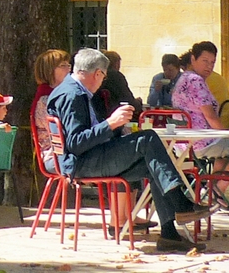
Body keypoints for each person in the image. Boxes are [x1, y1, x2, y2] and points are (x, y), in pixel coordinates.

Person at [47, 48, 210, 253]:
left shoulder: (73, 90)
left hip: (91, 157)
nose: (102, 82)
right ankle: (181, 203)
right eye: (103, 77)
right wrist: (110, 124)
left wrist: (116, 130)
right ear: (97, 74)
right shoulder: (73, 95)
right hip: (82, 163)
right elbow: (76, 142)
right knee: (148, 139)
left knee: (153, 164)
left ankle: (169, 233)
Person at [171, 41, 229, 200]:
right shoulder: (196, 81)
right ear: (193, 59)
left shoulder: (183, 78)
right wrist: (227, 134)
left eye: (212, 62)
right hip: (200, 141)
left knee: (226, 153)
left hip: (183, 142)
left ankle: (210, 191)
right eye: (205, 61)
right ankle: (216, 192)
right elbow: (210, 116)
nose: (209, 66)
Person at [31, 49, 72, 173]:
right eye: (63, 66)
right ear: (49, 71)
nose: (69, 69)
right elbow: (64, 130)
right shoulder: (45, 99)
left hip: (68, 153)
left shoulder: (62, 94)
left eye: (69, 65)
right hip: (55, 157)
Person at [93, 50, 142, 117]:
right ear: (116, 63)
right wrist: (138, 102)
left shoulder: (98, 75)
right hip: (116, 113)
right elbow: (128, 100)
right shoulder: (116, 76)